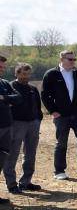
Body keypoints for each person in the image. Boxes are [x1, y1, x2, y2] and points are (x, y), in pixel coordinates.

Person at [41, 50, 77, 180]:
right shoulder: (51, 74)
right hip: (61, 116)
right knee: (62, 143)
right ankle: (59, 171)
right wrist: (53, 111)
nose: (73, 62)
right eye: (70, 59)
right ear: (61, 59)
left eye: (74, 59)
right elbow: (45, 94)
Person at [3, 62, 42, 196]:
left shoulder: (33, 88)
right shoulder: (10, 86)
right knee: (12, 154)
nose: (26, 77)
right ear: (17, 73)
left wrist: (38, 119)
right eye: (23, 74)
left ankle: (25, 182)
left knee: (30, 154)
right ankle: (11, 184)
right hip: (16, 124)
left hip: (33, 124)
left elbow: (38, 105)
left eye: (28, 74)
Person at [0, 54, 23, 204]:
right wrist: (9, 99)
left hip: (6, 127)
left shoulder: (4, 83)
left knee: (0, 160)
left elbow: (18, 98)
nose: (2, 69)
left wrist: (4, 98)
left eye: (3, 67)